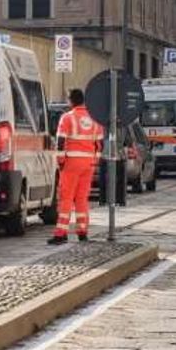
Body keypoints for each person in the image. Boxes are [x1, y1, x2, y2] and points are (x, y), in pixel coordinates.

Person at [49, 89, 103, 245]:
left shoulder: (67, 118)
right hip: (88, 164)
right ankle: (82, 232)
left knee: (66, 198)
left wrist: (60, 161)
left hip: (71, 162)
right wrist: (95, 161)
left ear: (71, 101)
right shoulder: (94, 119)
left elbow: (60, 142)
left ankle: (61, 233)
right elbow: (100, 143)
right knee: (82, 199)